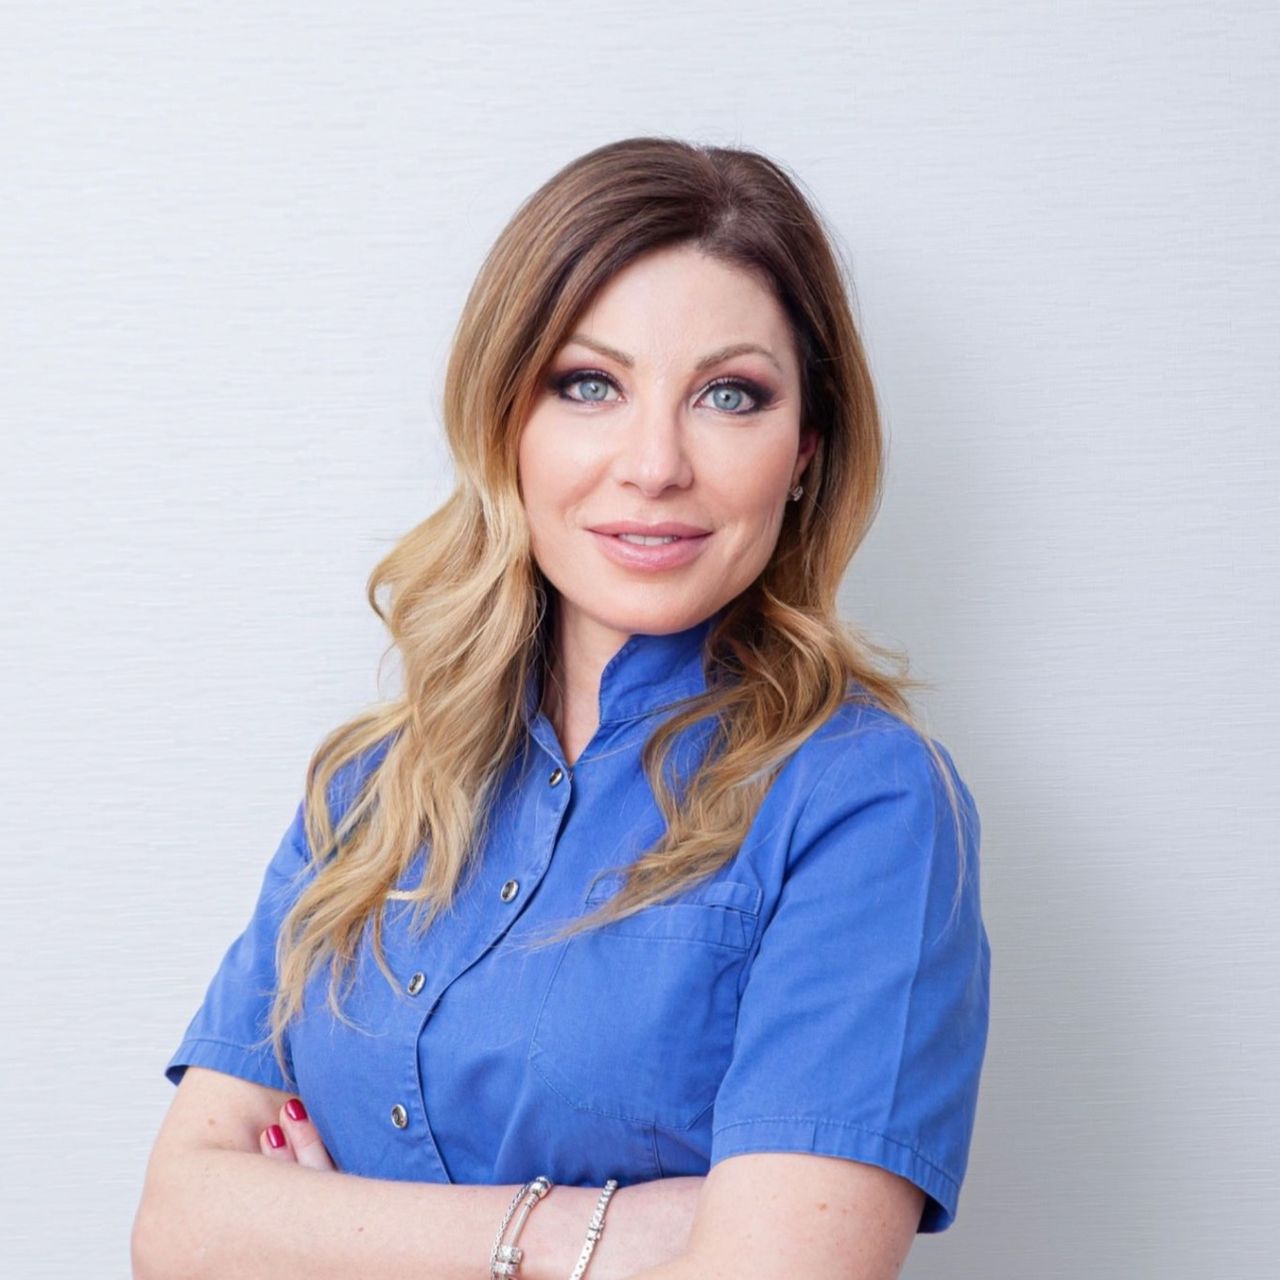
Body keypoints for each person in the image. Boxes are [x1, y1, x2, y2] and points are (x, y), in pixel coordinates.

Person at [132, 136, 991, 1280]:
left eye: (728, 395)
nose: (653, 463)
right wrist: (594, 1230)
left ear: (803, 453)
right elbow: (179, 1227)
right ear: (507, 424)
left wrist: (316, 1227)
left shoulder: (862, 804)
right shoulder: (374, 785)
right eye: (589, 384)